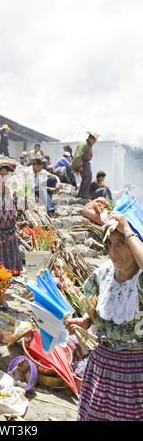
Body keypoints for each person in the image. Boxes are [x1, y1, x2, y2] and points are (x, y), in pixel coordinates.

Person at [65, 210, 143, 421]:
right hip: (102, 367)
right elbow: (96, 310)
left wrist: (127, 228)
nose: (113, 251)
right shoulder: (103, 274)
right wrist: (86, 321)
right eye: (110, 243)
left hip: (135, 374)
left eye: (122, 243)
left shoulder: (140, 281)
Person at [72, 131, 99, 198]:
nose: (94, 143)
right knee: (87, 176)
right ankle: (83, 192)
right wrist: (80, 165)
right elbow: (78, 155)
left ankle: (83, 192)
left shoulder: (88, 145)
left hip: (86, 163)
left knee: (87, 177)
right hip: (83, 162)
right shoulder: (84, 144)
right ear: (91, 139)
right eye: (94, 141)